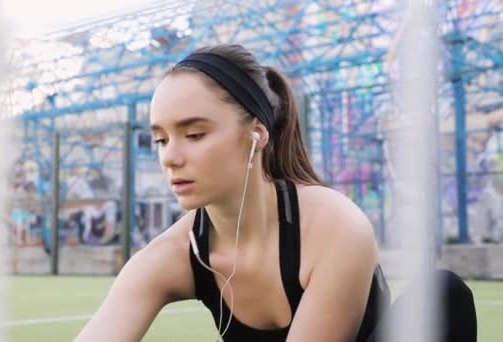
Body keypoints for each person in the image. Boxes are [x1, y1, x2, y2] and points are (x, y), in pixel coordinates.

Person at [75, 44, 395, 342]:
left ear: (256, 135)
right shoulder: (172, 254)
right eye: (161, 139)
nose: (170, 157)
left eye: (194, 134)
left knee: (442, 292)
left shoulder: (336, 226)